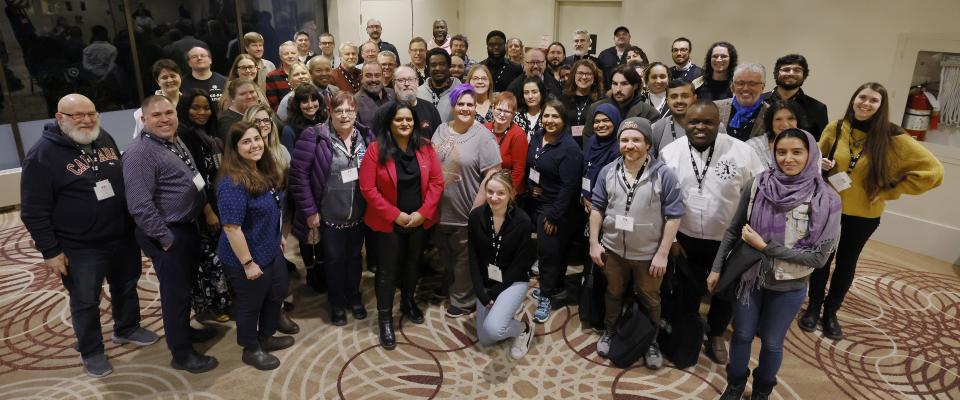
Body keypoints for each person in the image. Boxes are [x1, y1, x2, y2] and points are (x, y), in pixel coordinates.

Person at [20, 94, 158, 378]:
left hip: (120, 234)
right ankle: (91, 350)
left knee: (126, 284)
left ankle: (127, 327)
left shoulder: (102, 136)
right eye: (77, 115)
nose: (86, 120)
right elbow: (34, 211)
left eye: (91, 113)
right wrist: (50, 251)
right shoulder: (41, 155)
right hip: (79, 245)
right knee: (85, 300)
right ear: (60, 118)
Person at [800, 82, 944, 340]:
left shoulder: (893, 136)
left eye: (873, 100)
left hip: (865, 214)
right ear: (853, 99)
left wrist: (890, 192)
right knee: (822, 259)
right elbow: (810, 162)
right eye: (861, 97)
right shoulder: (837, 127)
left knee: (846, 262)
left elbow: (934, 172)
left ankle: (831, 312)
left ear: (881, 106)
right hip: (830, 207)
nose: (865, 103)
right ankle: (813, 307)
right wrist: (820, 165)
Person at [707, 128, 842, 399]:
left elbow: (818, 258)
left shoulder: (826, 199)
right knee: (742, 335)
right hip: (749, 278)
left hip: (790, 284)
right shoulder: (758, 184)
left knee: (771, 343)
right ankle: (734, 384)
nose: (788, 159)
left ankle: (762, 391)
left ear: (811, 154)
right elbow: (734, 230)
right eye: (781, 152)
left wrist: (766, 248)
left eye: (797, 152)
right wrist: (717, 267)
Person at [659, 100, 765, 365]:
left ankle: (716, 333)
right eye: (694, 122)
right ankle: (689, 331)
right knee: (688, 287)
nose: (700, 127)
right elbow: (660, 200)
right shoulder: (670, 152)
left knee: (725, 290)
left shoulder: (743, 153)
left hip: (727, 239)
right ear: (684, 123)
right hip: (685, 236)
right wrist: (670, 239)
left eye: (708, 122)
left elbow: (759, 195)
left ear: (719, 123)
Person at [124, 95, 218, 373]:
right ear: (144, 119)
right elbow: (140, 206)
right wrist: (165, 239)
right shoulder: (139, 154)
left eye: (169, 113)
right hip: (167, 233)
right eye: (156, 115)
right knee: (174, 294)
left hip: (187, 226)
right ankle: (181, 353)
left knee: (184, 287)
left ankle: (184, 330)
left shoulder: (172, 139)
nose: (164, 119)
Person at [589, 117, 684, 369]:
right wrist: (593, 243)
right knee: (613, 292)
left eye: (636, 139)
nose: (629, 145)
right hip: (613, 250)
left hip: (648, 254)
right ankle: (610, 330)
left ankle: (650, 341)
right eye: (624, 139)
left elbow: (674, 216)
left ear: (648, 144)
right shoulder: (608, 171)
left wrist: (662, 254)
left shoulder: (664, 175)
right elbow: (597, 209)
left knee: (650, 298)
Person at [359, 101, 444, 349]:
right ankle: (385, 318)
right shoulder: (376, 149)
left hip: (419, 220)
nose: (405, 124)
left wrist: (423, 213)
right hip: (388, 223)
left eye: (409, 120)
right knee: (386, 271)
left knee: (413, 263)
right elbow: (368, 188)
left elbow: (437, 183)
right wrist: (395, 214)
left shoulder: (426, 147)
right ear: (390, 123)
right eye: (399, 120)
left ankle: (408, 301)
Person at [215, 121, 295, 370]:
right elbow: (231, 228)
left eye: (257, 139)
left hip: (269, 248)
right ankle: (250, 348)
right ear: (235, 148)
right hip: (246, 257)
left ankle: (266, 336)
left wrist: (279, 237)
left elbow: (274, 208)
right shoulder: (232, 183)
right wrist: (248, 264)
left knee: (277, 292)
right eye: (246, 141)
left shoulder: (264, 169)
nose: (254, 145)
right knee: (251, 304)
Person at [290, 92, 372, 326]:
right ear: (330, 112)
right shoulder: (314, 136)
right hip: (328, 216)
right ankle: (337, 302)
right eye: (339, 110)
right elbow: (298, 178)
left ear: (356, 112)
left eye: (349, 110)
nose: (344, 115)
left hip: (358, 214)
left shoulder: (365, 135)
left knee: (355, 259)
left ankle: (353, 297)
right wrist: (310, 211)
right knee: (335, 260)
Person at [431, 83, 502, 318]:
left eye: (470, 104)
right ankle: (453, 288)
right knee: (445, 252)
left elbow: (493, 175)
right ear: (453, 104)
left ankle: (462, 300)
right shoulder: (441, 129)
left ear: (476, 107)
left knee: (464, 257)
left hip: (467, 208)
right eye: (460, 103)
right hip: (439, 208)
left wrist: (477, 209)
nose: (465, 108)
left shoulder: (484, 136)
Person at [176, 90, 232, 323]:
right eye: (195, 108)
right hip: (203, 207)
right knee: (211, 259)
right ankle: (215, 305)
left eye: (206, 107)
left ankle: (227, 298)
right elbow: (192, 177)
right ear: (185, 109)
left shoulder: (214, 135)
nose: (202, 112)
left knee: (226, 253)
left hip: (222, 200)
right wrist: (207, 210)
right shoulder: (184, 136)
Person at [526, 100, 583, 324]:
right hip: (539, 201)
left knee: (547, 254)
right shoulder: (538, 136)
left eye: (555, 117)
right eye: (546, 116)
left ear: (564, 120)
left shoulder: (569, 148)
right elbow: (533, 165)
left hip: (557, 208)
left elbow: (570, 187)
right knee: (552, 251)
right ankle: (555, 286)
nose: (549, 121)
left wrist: (554, 215)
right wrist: (532, 186)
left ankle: (546, 296)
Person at [468, 172, 536, 358]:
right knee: (486, 338)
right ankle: (503, 309)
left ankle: (523, 328)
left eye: (500, 193)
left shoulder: (523, 222)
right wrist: (481, 293)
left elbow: (520, 265)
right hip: (486, 282)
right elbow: (472, 258)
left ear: (511, 194)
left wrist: (494, 293)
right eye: (490, 192)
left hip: (513, 281)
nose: (494, 198)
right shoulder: (475, 217)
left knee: (494, 329)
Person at [582, 65, 660, 140]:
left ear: (635, 86)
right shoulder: (596, 107)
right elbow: (588, 139)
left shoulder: (649, 113)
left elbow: (651, 145)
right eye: (615, 84)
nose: (618, 89)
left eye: (624, 84)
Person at [763, 54, 829, 141]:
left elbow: (820, 147)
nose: (791, 73)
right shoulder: (759, 101)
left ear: (804, 75)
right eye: (786, 70)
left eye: (797, 70)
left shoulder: (818, 108)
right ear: (776, 73)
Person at [372, 66, 443, 140]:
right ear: (394, 83)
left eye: (411, 79)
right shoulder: (383, 112)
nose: (407, 84)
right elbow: (377, 145)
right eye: (401, 80)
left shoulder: (430, 108)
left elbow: (438, 141)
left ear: (417, 82)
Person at [484, 92, 529, 194]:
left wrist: (505, 193)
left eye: (507, 111)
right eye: (499, 109)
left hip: (508, 190)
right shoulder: (484, 128)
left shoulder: (518, 135)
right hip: (485, 186)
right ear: (493, 108)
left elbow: (518, 171)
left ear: (513, 114)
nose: (502, 114)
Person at [580, 104, 622, 211]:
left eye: (606, 120)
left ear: (615, 121)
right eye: (597, 122)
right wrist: (584, 196)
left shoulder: (619, 148)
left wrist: (597, 204)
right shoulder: (592, 141)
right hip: (587, 201)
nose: (601, 125)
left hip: (608, 206)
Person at [716, 63, 769, 141]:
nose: (745, 88)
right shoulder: (715, 108)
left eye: (752, 84)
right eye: (740, 83)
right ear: (733, 86)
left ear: (762, 87)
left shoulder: (771, 114)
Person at [133, 59, 183, 137]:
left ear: (180, 77)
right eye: (164, 77)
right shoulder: (144, 111)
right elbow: (139, 138)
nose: (169, 80)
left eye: (173, 76)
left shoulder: (190, 102)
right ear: (158, 81)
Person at [747, 101, 802, 170]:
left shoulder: (809, 146)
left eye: (790, 119)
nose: (785, 124)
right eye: (778, 119)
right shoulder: (752, 146)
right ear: (770, 122)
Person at [650, 79, 697, 156]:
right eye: (674, 97)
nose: (679, 101)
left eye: (685, 96)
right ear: (667, 101)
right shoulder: (656, 129)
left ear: (695, 98)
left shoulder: (713, 126)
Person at [561, 59, 604, 141]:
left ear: (594, 77)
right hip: (567, 146)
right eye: (580, 73)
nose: (584, 77)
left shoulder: (601, 101)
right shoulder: (563, 99)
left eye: (588, 74)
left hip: (592, 146)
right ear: (574, 75)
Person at [417, 48, 460, 120]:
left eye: (442, 64)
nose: (438, 68)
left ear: (449, 66)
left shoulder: (461, 92)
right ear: (428, 68)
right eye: (433, 65)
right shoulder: (418, 93)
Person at [282, 84, 326, 152]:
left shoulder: (325, 120)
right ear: (297, 104)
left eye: (313, 100)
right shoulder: (289, 129)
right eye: (305, 102)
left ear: (319, 101)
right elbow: (288, 160)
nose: (310, 105)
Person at [355, 61, 395, 128]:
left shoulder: (393, 94)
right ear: (361, 78)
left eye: (377, 75)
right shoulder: (355, 101)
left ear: (382, 77)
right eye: (368, 76)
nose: (373, 80)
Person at [264, 41, 301, 110]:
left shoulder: (305, 73)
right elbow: (274, 105)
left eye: (293, 53)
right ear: (281, 57)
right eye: (286, 54)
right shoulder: (271, 76)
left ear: (298, 55)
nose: (290, 56)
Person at [515, 77, 546, 141]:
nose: (530, 96)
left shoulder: (547, 115)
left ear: (541, 93)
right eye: (526, 93)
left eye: (534, 92)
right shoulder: (516, 116)